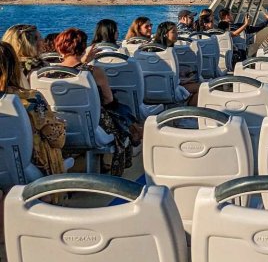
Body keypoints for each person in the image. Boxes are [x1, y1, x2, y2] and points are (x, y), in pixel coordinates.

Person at [55, 28, 135, 175]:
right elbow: (108, 99)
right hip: (92, 125)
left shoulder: (45, 73)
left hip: (60, 125)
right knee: (123, 116)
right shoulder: (93, 72)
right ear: (83, 47)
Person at [0, 41, 67, 177]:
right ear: (14, 67)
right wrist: (60, 125)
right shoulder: (30, 98)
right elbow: (57, 141)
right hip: (28, 166)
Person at [152, 21, 200, 103]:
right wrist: (182, 81)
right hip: (171, 89)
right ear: (165, 34)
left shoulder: (153, 51)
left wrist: (181, 77)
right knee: (201, 87)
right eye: (173, 32)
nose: (177, 34)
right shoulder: (168, 53)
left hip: (155, 88)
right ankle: (189, 110)